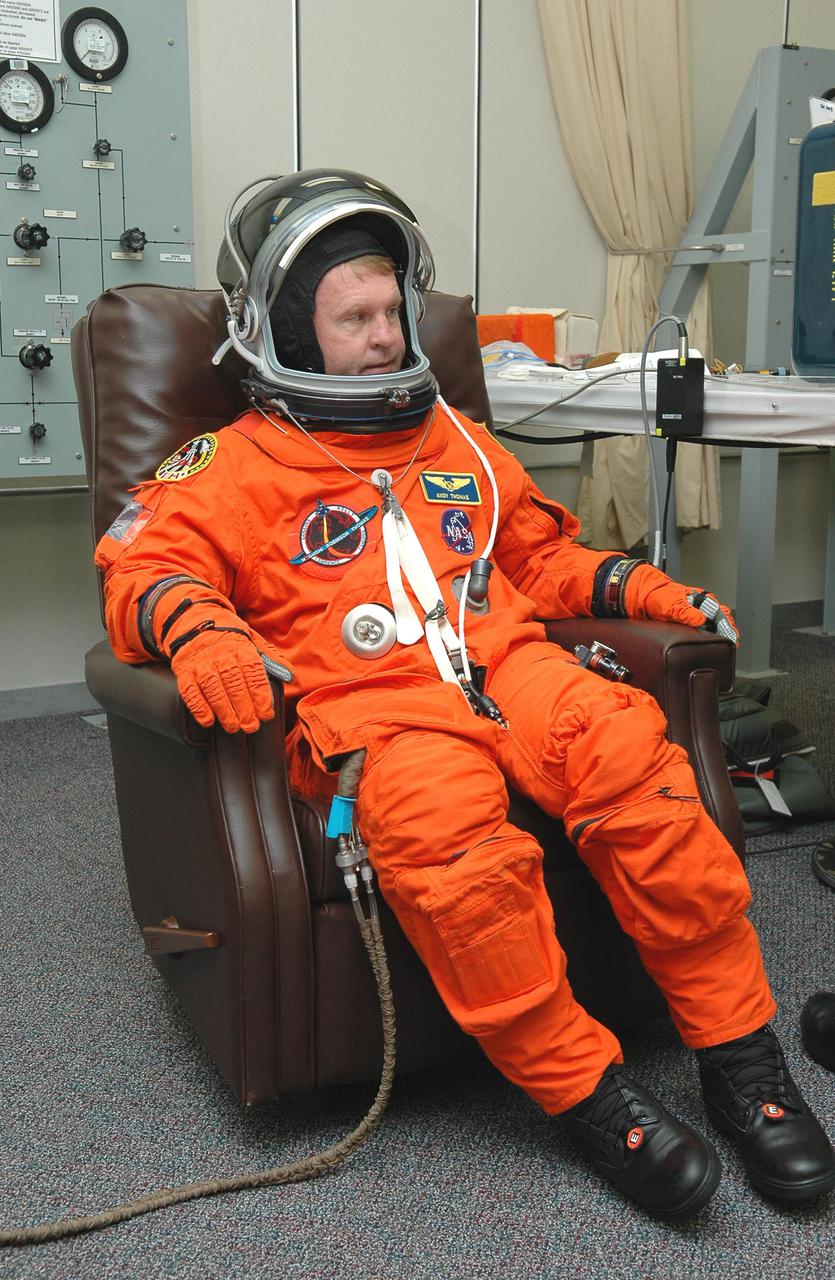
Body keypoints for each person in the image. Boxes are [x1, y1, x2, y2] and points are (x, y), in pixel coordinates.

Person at [96, 169, 835, 1221]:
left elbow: (538, 558)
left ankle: (740, 1058)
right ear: (286, 333)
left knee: (631, 759)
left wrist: (639, 587)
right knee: (447, 840)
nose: (384, 337)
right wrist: (196, 624)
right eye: (353, 319)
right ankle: (586, 1092)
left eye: (390, 312)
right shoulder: (227, 467)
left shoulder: (458, 445)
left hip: (510, 670)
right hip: (374, 704)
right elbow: (140, 566)